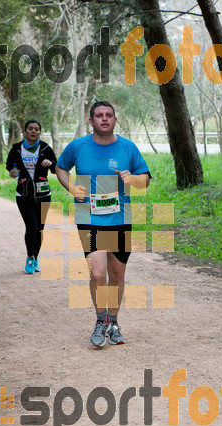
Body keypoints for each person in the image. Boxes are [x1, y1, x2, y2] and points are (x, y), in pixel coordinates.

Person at [55, 101, 151, 348]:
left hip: (119, 219)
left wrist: (133, 179)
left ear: (115, 120)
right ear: (91, 121)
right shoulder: (78, 147)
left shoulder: (128, 148)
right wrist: (70, 187)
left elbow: (145, 180)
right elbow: (60, 167)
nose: (104, 119)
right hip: (89, 219)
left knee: (117, 275)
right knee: (97, 273)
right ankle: (100, 321)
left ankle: (114, 323)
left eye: (109, 115)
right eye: (99, 115)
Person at [5, 120, 58, 274]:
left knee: (40, 229)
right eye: (30, 129)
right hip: (24, 193)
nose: (33, 131)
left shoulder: (45, 148)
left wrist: (51, 163)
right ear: (25, 131)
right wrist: (13, 172)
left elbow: (56, 168)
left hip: (43, 194)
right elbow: (10, 166)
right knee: (32, 226)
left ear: (40, 132)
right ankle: (29, 256)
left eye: (36, 129)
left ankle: (35, 259)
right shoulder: (16, 148)